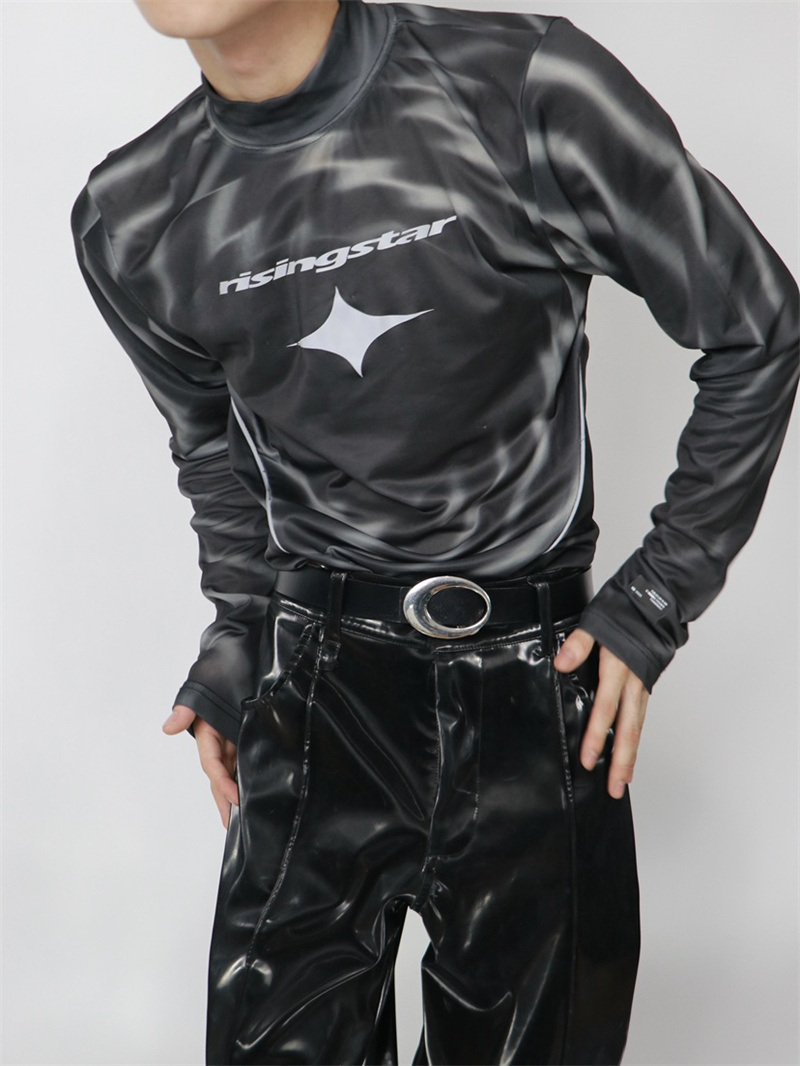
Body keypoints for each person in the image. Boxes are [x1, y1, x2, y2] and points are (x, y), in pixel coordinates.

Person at [71, 1, 799, 1063]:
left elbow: (756, 327)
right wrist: (238, 631)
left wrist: (653, 601)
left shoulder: (524, 89)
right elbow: (213, 449)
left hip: (539, 703)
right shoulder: (132, 216)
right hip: (317, 704)